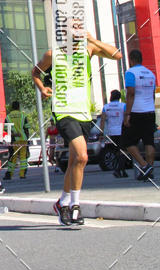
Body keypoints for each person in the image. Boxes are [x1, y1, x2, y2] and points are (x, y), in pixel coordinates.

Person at [33, 30, 122, 227]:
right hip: (63, 111)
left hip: (83, 113)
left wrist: (92, 39)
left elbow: (118, 54)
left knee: (75, 160)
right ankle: (75, 206)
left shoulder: (87, 50)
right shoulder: (52, 55)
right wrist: (42, 88)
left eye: (79, 33)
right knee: (82, 157)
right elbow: (35, 72)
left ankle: (62, 202)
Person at [123, 50, 157, 180]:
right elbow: (152, 95)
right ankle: (149, 171)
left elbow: (131, 93)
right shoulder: (151, 74)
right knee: (149, 142)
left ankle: (144, 165)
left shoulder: (130, 72)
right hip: (150, 111)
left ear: (131, 60)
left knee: (128, 141)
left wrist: (127, 114)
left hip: (137, 111)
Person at [99, 89, 127, 178]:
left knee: (116, 151)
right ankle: (118, 170)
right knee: (123, 151)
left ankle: (122, 170)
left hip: (111, 132)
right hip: (122, 131)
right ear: (119, 97)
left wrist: (101, 133)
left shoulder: (106, 107)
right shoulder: (123, 106)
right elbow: (127, 118)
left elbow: (102, 121)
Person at [5, 100, 30, 180]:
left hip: (14, 140)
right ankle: (22, 174)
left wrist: (13, 134)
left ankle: (9, 174)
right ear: (19, 107)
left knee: (13, 157)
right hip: (23, 139)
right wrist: (27, 139)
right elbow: (26, 129)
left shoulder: (8, 117)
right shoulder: (23, 116)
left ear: (12, 107)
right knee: (23, 157)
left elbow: (6, 129)